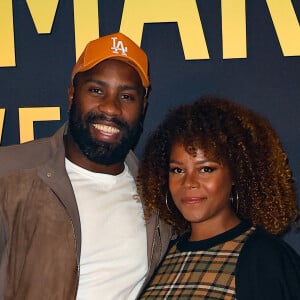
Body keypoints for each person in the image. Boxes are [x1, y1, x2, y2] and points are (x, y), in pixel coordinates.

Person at [0, 32, 173, 300]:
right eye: (96, 90)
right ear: (71, 94)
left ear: (143, 107)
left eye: (126, 96)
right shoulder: (9, 173)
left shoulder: (159, 196)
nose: (111, 108)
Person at [137, 96, 300, 299]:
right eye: (177, 170)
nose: (189, 182)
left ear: (235, 174)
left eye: (205, 169)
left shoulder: (265, 259)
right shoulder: (163, 255)